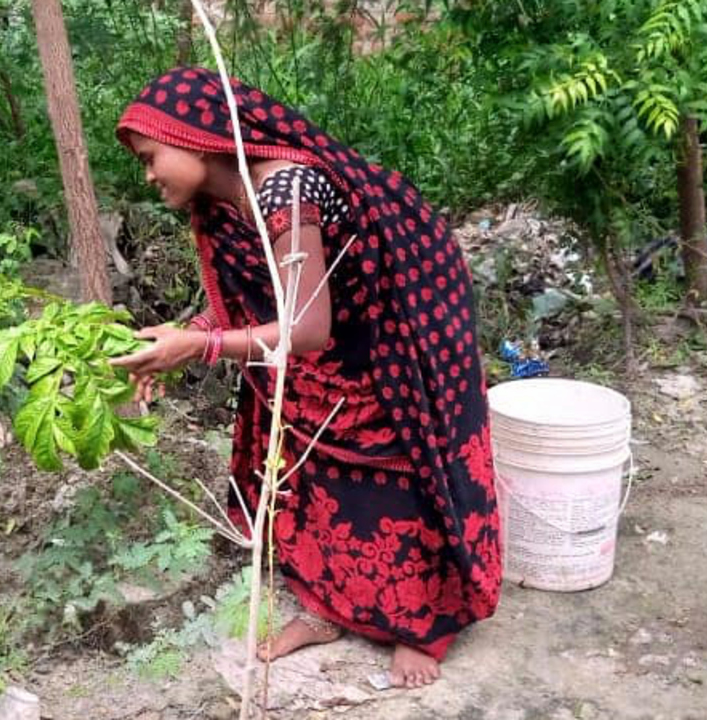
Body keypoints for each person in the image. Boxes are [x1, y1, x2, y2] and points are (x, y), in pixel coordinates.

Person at [110, 67, 501, 689]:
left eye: (152, 156)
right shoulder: (220, 205)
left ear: (199, 135)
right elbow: (241, 301)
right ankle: (328, 608)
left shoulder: (287, 190)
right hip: (316, 343)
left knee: (394, 474)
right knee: (306, 468)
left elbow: (308, 327)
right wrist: (181, 336)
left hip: (384, 335)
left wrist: (199, 347)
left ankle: (420, 626)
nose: (149, 175)